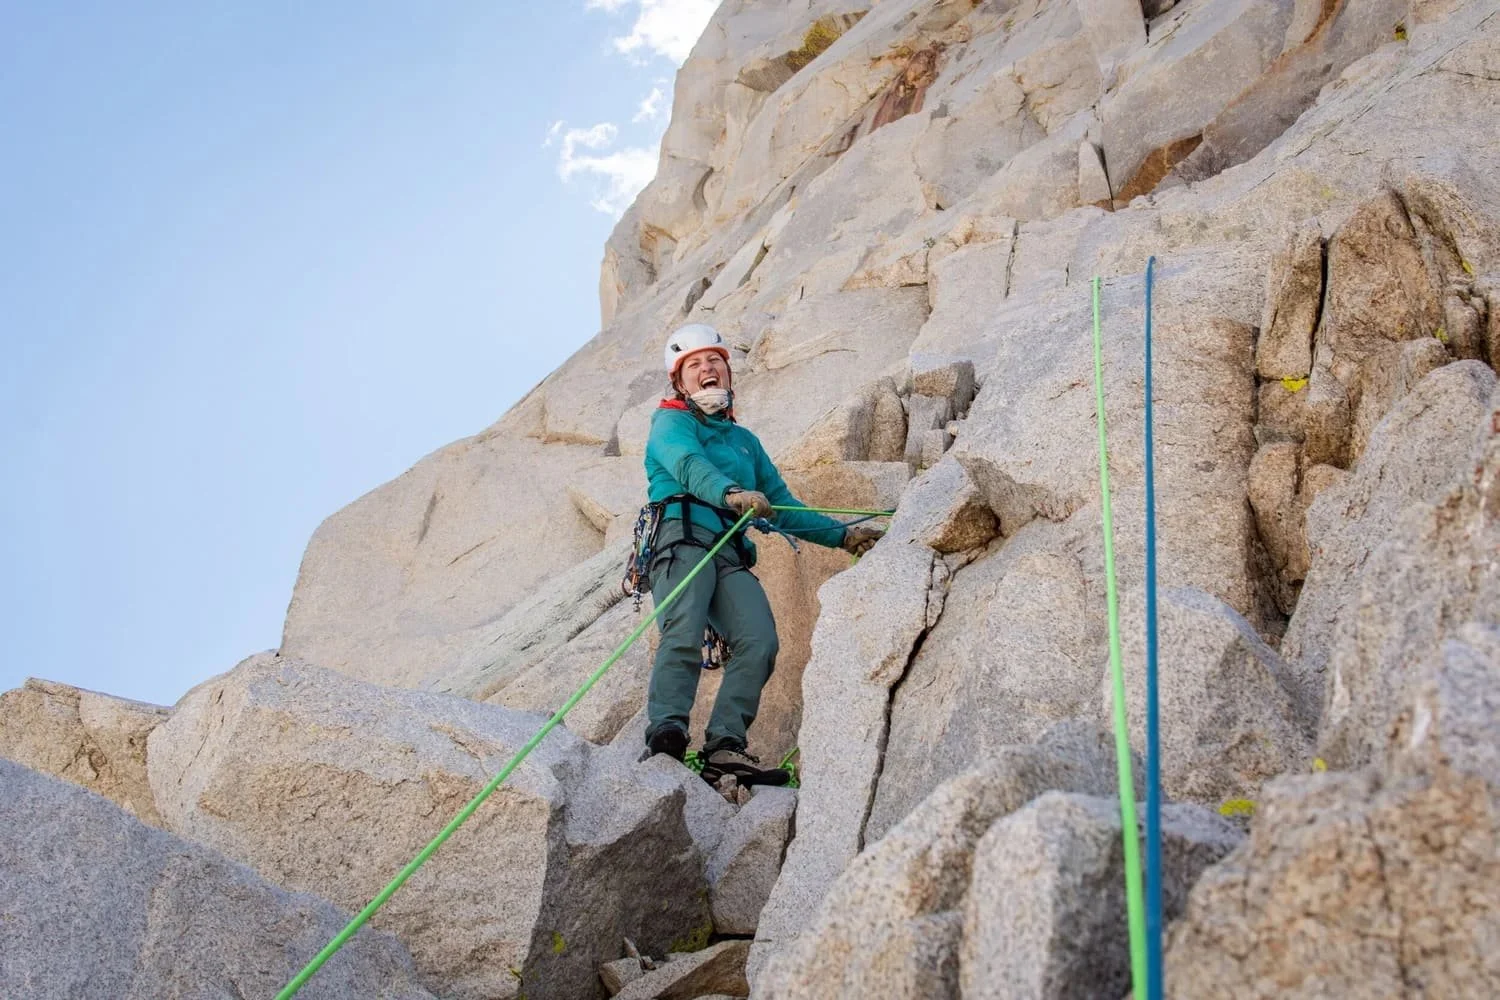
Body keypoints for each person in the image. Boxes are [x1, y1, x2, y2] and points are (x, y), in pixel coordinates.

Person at [640, 323, 884, 786]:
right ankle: (667, 733)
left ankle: (724, 746)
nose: (707, 368)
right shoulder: (670, 421)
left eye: (714, 361)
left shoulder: (744, 441)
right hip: (681, 539)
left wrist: (843, 538)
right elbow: (688, 466)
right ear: (679, 381)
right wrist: (730, 492)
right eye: (694, 365)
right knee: (683, 631)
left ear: (728, 372)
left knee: (760, 641)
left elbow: (783, 504)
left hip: (728, 552)